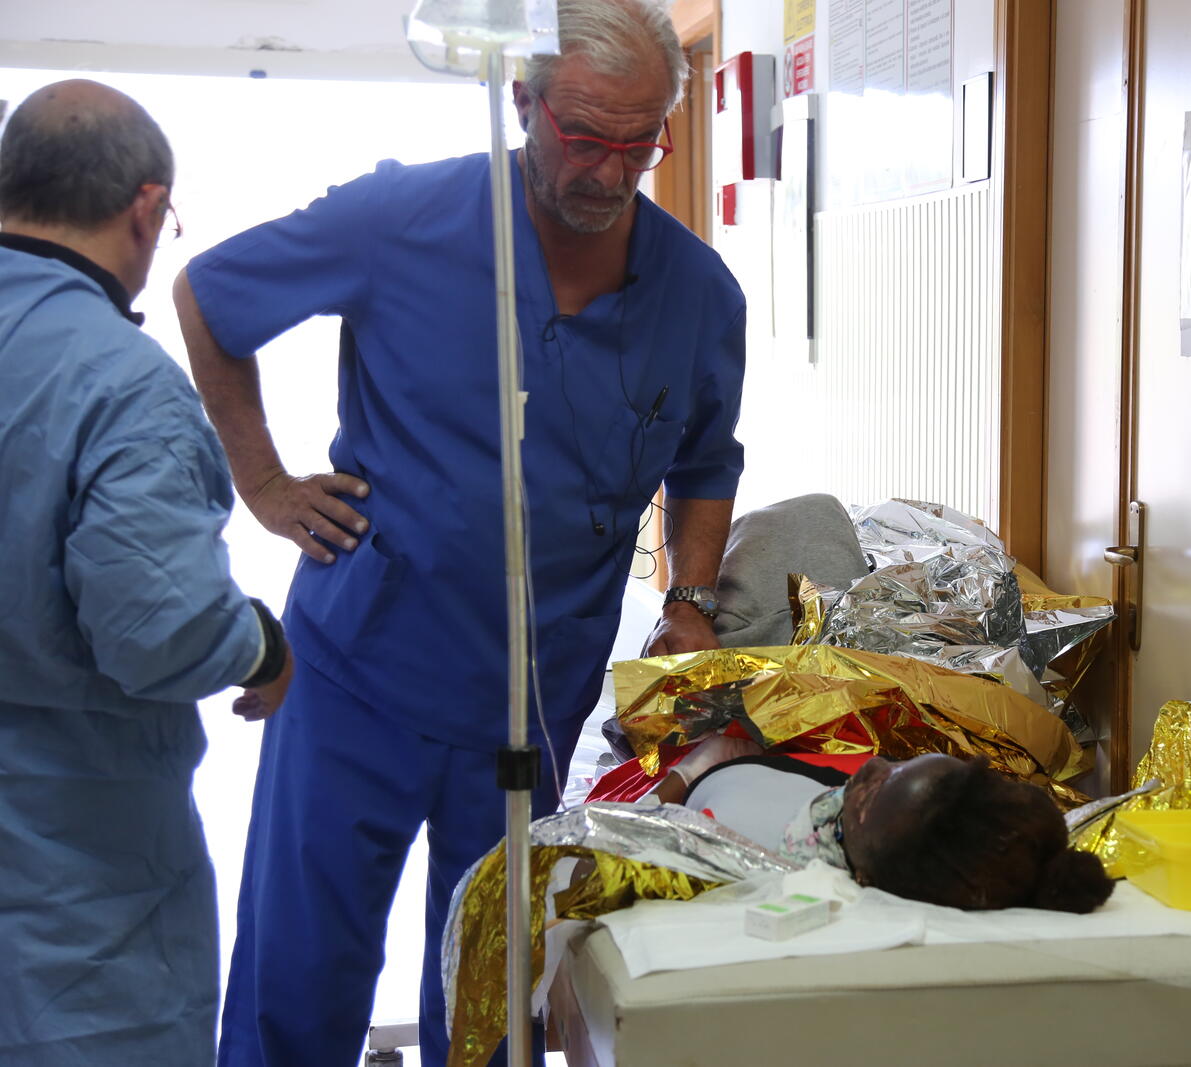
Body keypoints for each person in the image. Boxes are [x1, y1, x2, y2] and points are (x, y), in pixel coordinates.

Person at [172, 0, 747, 1062]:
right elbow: (209, 295)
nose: (611, 171)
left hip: (532, 695)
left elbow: (706, 463)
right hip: (359, 669)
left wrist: (690, 599)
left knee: (488, 992)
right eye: (583, 135)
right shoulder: (404, 220)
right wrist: (262, 482)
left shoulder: (697, 294)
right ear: (523, 101)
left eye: (640, 142)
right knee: (299, 973)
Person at [0, 80, 294, 1066]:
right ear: (146, 208)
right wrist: (262, 642)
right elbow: (155, 630)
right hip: (70, 887)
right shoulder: (121, 387)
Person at [653, 739, 1115, 913]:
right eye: (901, 762)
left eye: (869, 795)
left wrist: (686, 775)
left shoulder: (752, 851)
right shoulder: (880, 820)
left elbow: (614, 827)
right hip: (770, 773)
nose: (874, 766)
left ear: (866, 879)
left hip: (698, 784)